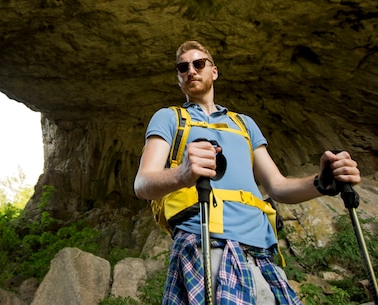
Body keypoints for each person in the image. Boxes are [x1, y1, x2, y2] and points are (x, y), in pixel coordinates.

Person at [134, 40, 361, 305]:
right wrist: (182, 174)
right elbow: (142, 184)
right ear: (178, 78)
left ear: (214, 71)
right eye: (183, 67)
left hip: (260, 248)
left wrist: (322, 182)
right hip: (206, 241)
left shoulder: (244, 124)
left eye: (198, 64)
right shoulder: (169, 118)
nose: (191, 71)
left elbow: (277, 186)